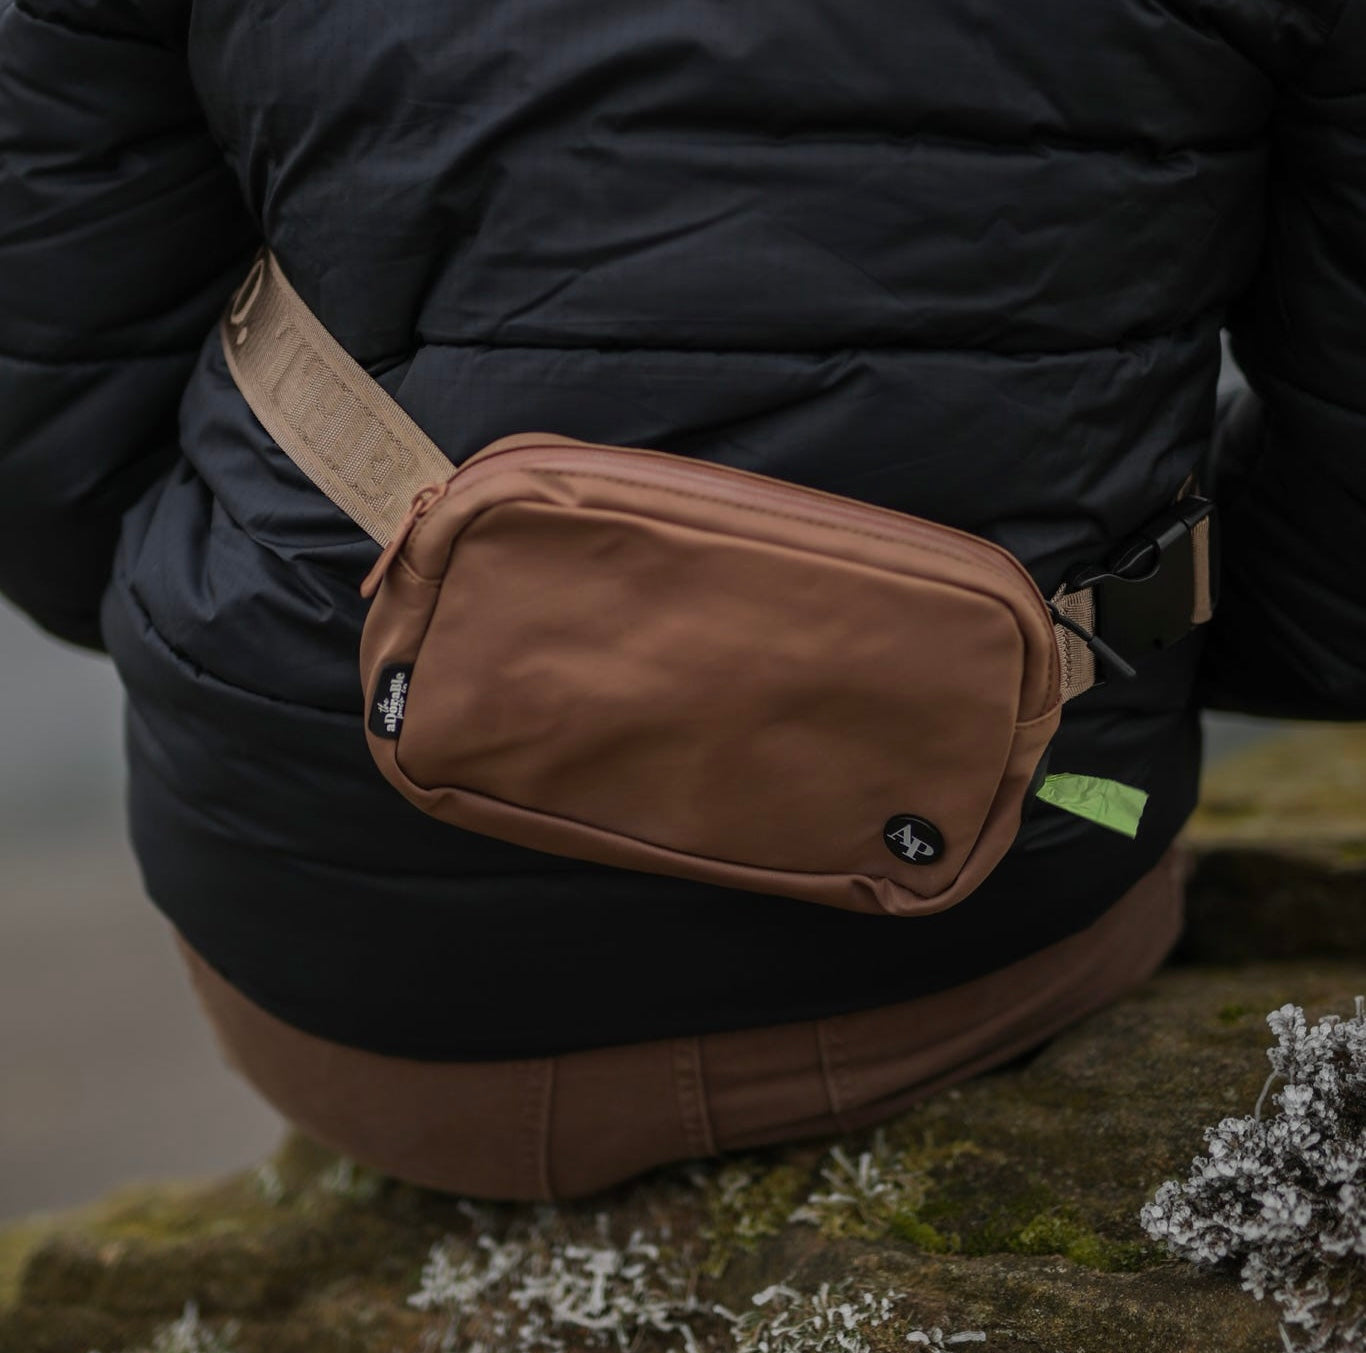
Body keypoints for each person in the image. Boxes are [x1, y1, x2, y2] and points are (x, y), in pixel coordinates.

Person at [1, 0, 1363, 1202]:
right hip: (989, 922)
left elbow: (52, 446)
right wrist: (1068, 688)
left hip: (342, 961)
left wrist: (263, 626)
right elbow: (1340, 577)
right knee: (1089, 769)